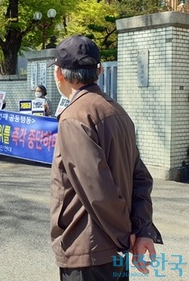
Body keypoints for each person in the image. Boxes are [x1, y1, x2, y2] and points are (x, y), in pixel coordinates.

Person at [49, 35, 162, 281]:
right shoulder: (116, 111)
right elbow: (140, 177)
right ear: (99, 70)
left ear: (59, 74)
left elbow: (97, 189)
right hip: (113, 249)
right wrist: (141, 230)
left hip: (88, 248)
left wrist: (127, 234)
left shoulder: (74, 117)